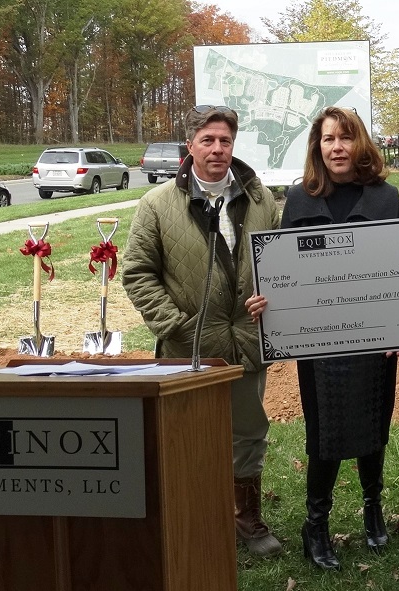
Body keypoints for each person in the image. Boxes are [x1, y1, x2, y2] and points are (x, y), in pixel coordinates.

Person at [247, 107, 399, 570]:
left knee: (376, 423)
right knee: (325, 432)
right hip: (320, 345)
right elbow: (278, 271)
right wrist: (266, 301)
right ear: (317, 146)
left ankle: (372, 506)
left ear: (361, 145)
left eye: (345, 138)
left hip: (374, 339)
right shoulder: (298, 199)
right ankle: (316, 522)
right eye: (328, 139)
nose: (336, 147)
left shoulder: (385, 198)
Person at [121, 105, 282, 557]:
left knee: (248, 431)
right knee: (184, 435)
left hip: (247, 339)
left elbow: (280, 262)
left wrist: (272, 297)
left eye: (225, 141)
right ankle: (191, 517)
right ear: (190, 146)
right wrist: (175, 324)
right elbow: (137, 272)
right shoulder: (157, 205)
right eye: (207, 141)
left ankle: (246, 517)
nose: (217, 149)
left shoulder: (259, 198)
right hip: (186, 345)